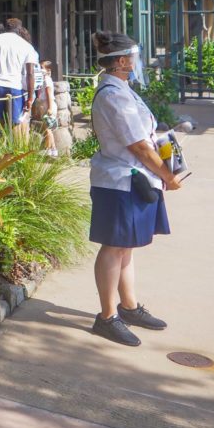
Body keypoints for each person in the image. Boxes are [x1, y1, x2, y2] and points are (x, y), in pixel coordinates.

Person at [87, 30, 181, 347]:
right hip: (119, 180)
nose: (137, 64)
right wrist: (168, 176)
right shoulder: (113, 95)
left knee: (125, 247)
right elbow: (139, 146)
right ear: (124, 61)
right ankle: (107, 316)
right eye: (135, 59)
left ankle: (128, 307)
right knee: (114, 247)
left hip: (132, 179)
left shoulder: (122, 89)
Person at [0, 17, 38, 127]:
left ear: (5, 28)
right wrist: (30, 97)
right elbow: (30, 73)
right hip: (15, 87)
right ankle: (11, 143)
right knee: (14, 124)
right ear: (19, 29)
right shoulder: (27, 46)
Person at [31, 59, 59, 153]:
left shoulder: (47, 80)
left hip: (48, 105)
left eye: (42, 68)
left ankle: (50, 149)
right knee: (47, 128)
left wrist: (50, 108)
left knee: (47, 129)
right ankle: (52, 148)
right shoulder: (41, 80)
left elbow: (49, 94)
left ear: (48, 70)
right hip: (43, 105)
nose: (40, 70)